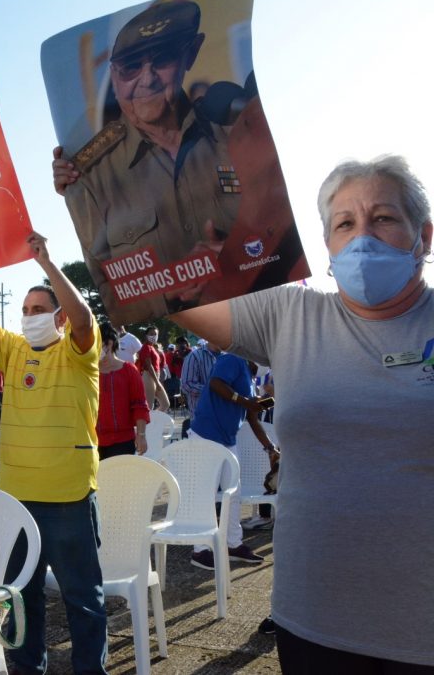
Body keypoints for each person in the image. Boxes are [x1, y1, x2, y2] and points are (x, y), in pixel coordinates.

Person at [171, 155, 434, 670]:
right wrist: (99, 199)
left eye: (382, 217)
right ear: (327, 247)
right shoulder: (288, 314)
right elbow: (169, 294)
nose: (363, 237)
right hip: (313, 621)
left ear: (423, 233)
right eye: (344, 223)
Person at [0, 232, 107, 675]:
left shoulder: (78, 352)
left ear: (59, 317)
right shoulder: (12, 350)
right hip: (16, 503)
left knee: (82, 600)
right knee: (21, 601)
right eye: (25, 311)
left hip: (68, 499)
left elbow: (85, 320)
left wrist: (48, 264)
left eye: (39, 310)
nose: (29, 317)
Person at [52, 0, 241, 322]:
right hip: (178, 327)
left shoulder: (236, 136)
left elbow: (278, 232)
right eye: (130, 67)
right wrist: (165, 295)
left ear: (190, 54)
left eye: (163, 59)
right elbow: (107, 285)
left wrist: (234, 257)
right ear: (113, 74)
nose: (147, 78)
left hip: (252, 310)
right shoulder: (91, 172)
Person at [187, 353, 274, 568]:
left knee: (233, 493)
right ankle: (200, 550)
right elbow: (216, 383)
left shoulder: (250, 379)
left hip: (228, 439)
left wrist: (270, 448)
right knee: (205, 494)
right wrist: (243, 400)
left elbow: (252, 418)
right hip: (207, 434)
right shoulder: (234, 359)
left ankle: (233, 544)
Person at [96, 325, 149, 460]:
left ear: (110, 343)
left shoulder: (129, 370)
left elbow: (140, 405)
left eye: (97, 342)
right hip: (92, 441)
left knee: (119, 480)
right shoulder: (89, 373)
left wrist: (141, 436)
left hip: (123, 441)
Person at [180, 339, 220, 416]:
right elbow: (186, 385)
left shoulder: (229, 355)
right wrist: (215, 390)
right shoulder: (194, 356)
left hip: (225, 415)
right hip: (203, 415)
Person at [137, 326, 170, 411]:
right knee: (149, 406)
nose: (153, 336)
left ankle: (152, 422)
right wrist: (157, 382)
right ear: (146, 335)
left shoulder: (152, 347)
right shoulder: (146, 347)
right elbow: (149, 366)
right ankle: (147, 423)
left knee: (165, 404)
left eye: (155, 334)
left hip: (155, 377)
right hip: (149, 377)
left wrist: (157, 381)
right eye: (151, 334)